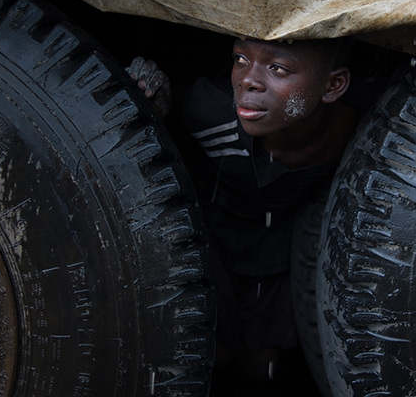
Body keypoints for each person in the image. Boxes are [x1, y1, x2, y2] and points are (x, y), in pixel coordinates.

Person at [127, 37, 357, 395]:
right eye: (240, 59)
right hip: (211, 235)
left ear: (333, 86)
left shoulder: (355, 131)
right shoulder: (209, 111)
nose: (248, 80)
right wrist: (151, 106)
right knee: (208, 352)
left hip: (278, 242)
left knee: (263, 365)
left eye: (277, 68)